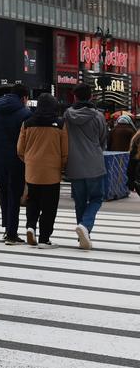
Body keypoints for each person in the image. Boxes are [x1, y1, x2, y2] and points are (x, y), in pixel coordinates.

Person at [17, 94, 67, 248]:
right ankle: (44, 238)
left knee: (32, 201)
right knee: (49, 207)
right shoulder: (59, 124)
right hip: (52, 172)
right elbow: (64, 151)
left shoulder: (27, 123)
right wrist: (62, 166)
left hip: (32, 171)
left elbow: (20, 149)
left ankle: (30, 227)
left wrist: (29, 162)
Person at [0, 83, 32, 245]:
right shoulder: (25, 114)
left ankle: (7, 228)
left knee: (4, 192)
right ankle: (12, 233)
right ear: (24, 98)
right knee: (15, 194)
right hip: (16, 159)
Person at [64, 83, 108, 250]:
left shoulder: (67, 115)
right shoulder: (98, 116)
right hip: (95, 164)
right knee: (96, 198)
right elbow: (103, 139)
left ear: (75, 97)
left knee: (79, 201)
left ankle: (84, 235)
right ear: (90, 96)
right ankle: (85, 226)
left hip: (74, 165)